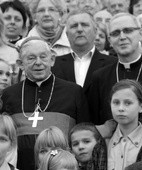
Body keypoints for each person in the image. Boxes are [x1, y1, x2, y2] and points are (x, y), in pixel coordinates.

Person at [1, 36, 90, 170]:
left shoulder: (73, 92)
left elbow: (84, 134)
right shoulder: (9, 94)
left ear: (52, 60)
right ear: (20, 64)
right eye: (31, 58)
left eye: (43, 57)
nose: (38, 62)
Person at [88, 13, 142, 130]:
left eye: (128, 30)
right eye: (115, 33)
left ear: (140, 33)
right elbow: (96, 121)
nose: (122, 37)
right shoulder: (99, 76)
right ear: (110, 41)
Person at [98, 79, 142, 170]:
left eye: (128, 103)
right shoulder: (100, 140)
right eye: (116, 103)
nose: (121, 108)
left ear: (141, 107)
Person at [51, 9, 117, 98]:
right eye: (74, 26)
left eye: (84, 25)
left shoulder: (113, 64)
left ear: (95, 31)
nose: (79, 29)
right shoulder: (54, 65)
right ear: (67, 34)